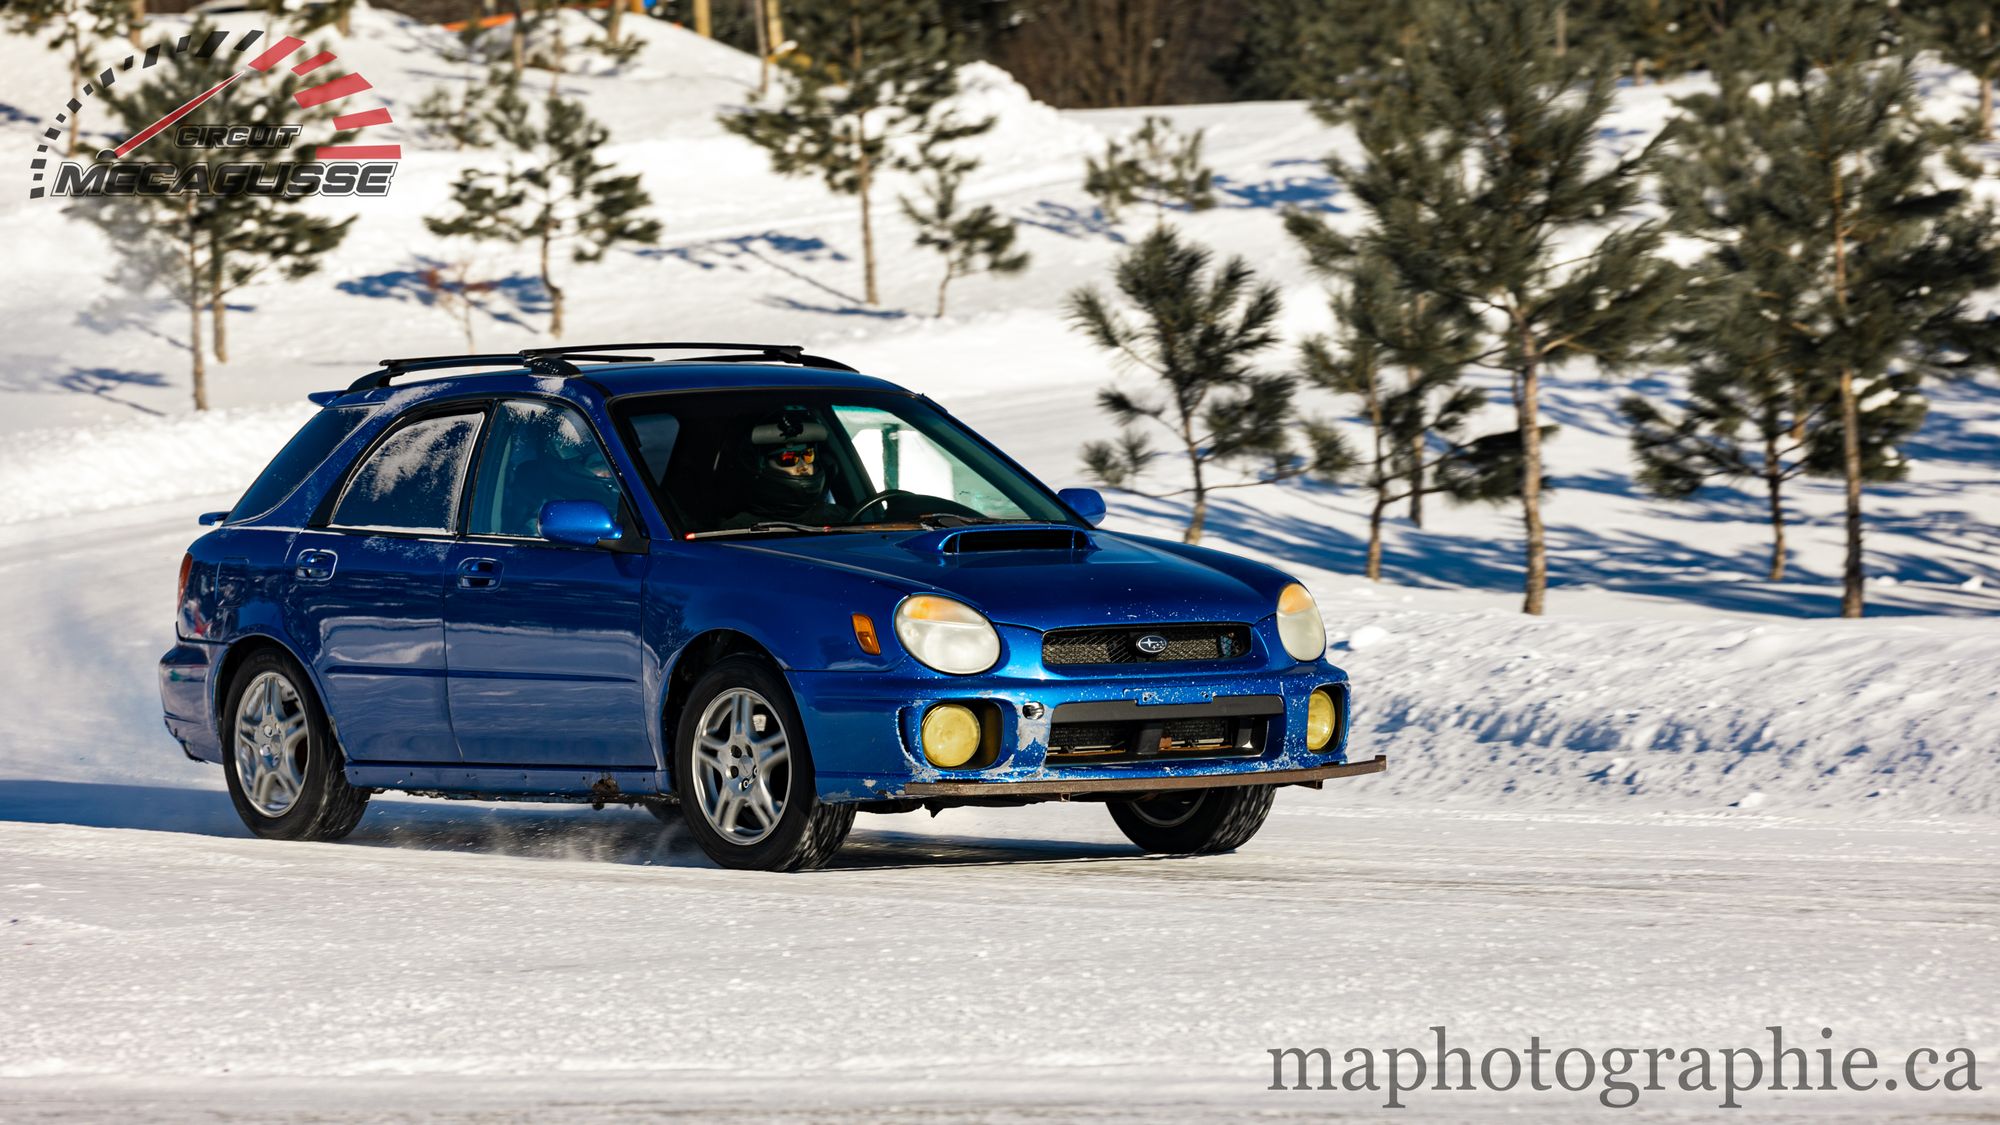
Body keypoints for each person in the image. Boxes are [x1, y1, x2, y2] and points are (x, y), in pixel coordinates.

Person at [716, 409, 847, 529]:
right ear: (760, 466)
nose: (804, 466)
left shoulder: (843, 518)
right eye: (788, 458)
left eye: (808, 455)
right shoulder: (738, 530)